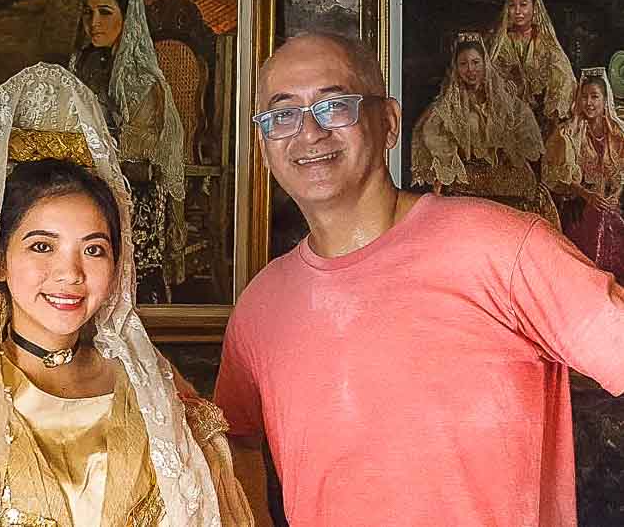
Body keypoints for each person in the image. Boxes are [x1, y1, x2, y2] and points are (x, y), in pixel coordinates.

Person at [214, 32, 624, 527]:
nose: (309, 133)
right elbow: (234, 439)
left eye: (334, 105)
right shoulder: (261, 309)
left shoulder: (502, 248)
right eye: (283, 115)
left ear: (387, 123)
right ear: (263, 144)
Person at [0, 64, 251, 526]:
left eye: (94, 249)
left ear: (117, 265)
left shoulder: (152, 390)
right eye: (42, 246)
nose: (70, 273)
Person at [70, 0, 186, 303]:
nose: (94, 23)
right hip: (91, 179)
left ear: (126, 16)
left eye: (105, 12)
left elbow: (136, 158)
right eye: (88, 13)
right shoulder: (83, 64)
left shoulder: (140, 80)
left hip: (134, 190)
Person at [411, 31, 556, 223]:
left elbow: (523, 124)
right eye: (464, 64)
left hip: (505, 178)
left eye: (475, 62)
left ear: (485, 64)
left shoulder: (505, 101)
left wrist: (511, 149)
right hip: (469, 183)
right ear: (456, 68)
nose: (470, 70)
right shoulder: (446, 108)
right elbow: (435, 140)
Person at [544, 67, 624, 284]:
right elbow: (559, 175)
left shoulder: (618, 133)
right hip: (578, 204)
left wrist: (615, 195)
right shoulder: (568, 133)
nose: (589, 103)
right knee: (597, 219)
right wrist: (587, 195)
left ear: (605, 99)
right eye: (584, 97)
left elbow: (621, 173)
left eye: (595, 97)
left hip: (612, 202)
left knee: (613, 218)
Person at [487, 0, 576, 129]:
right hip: (507, 114)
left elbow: (564, 79)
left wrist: (552, 111)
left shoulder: (545, 42)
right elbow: (488, 75)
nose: (517, 11)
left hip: (541, 117)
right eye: (512, 5)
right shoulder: (500, 41)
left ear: (534, 8)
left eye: (523, 4)